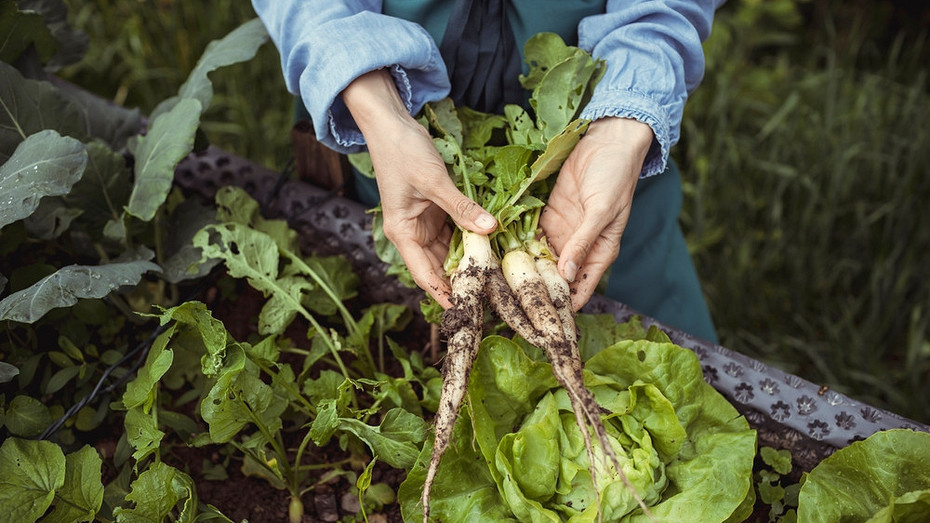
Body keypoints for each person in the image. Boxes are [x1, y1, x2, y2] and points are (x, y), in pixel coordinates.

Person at [251, 0, 723, 343]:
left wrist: (623, 126)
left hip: (596, 137)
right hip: (393, 119)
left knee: (655, 340)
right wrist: (376, 108)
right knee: (396, 310)